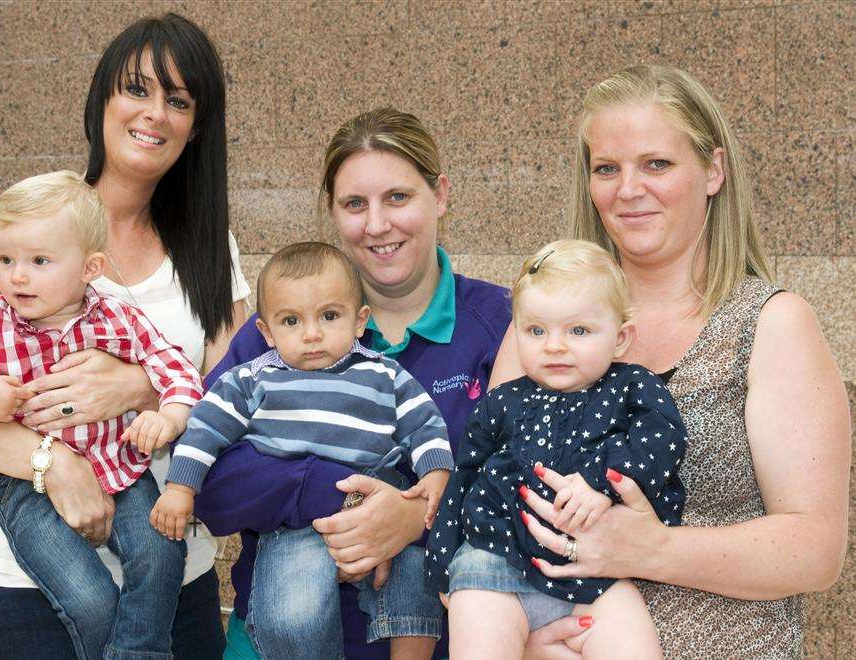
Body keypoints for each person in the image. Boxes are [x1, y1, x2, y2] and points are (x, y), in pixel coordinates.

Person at [0, 14, 249, 659]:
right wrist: (50, 466)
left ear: (197, 128)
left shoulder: (210, 249)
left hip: (173, 577)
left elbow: (242, 395)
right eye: (137, 88)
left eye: (179, 100)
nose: (155, 113)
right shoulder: (19, 234)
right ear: (102, 99)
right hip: (27, 584)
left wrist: (140, 389)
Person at [491, 65, 849, 658]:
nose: (628, 188)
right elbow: (495, 492)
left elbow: (815, 549)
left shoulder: (769, 325)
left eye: (656, 164)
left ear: (712, 171)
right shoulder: (547, 326)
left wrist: (648, 549)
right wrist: (524, 639)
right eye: (607, 168)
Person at [194, 108, 517, 659]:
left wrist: (417, 517)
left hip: (434, 640)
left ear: (439, 195)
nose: (376, 224)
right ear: (333, 214)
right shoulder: (278, 331)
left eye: (398, 197)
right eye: (354, 204)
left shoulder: (499, 323)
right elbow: (213, 483)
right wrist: (339, 496)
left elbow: (524, 483)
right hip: (279, 636)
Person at [0, 170, 203, 659]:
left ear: (90, 267)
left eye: (39, 261)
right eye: (5, 259)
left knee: (160, 552)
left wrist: (168, 412)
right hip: (26, 488)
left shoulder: (118, 319)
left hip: (121, 467)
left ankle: (139, 652)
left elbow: (179, 371)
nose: (17, 275)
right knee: (89, 596)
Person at [155, 241, 451, 659]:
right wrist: (181, 488)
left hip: (382, 498)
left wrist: (435, 473)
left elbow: (424, 421)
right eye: (291, 321)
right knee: (295, 616)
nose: (312, 334)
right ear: (266, 332)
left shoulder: (384, 373)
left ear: (359, 320)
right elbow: (205, 429)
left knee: (416, 578)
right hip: (294, 523)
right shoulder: (253, 378)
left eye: (329, 316)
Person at [428, 240, 687, 659]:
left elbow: (661, 440)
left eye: (579, 331)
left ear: (621, 338)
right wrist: (442, 566)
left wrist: (602, 484)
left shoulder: (634, 387)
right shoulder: (501, 402)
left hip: (595, 574)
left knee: (634, 645)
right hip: (494, 563)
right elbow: (464, 477)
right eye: (536, 330)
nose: (554, 345)